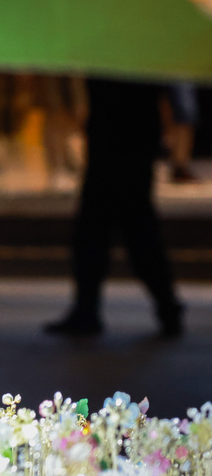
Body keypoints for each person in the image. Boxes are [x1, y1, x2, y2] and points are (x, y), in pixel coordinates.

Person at [45, 79, 183, 337]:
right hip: (123, 137)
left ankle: (163, 306)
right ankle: (164, 306)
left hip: (121, 140)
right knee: (126, 229)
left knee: (126, 229)